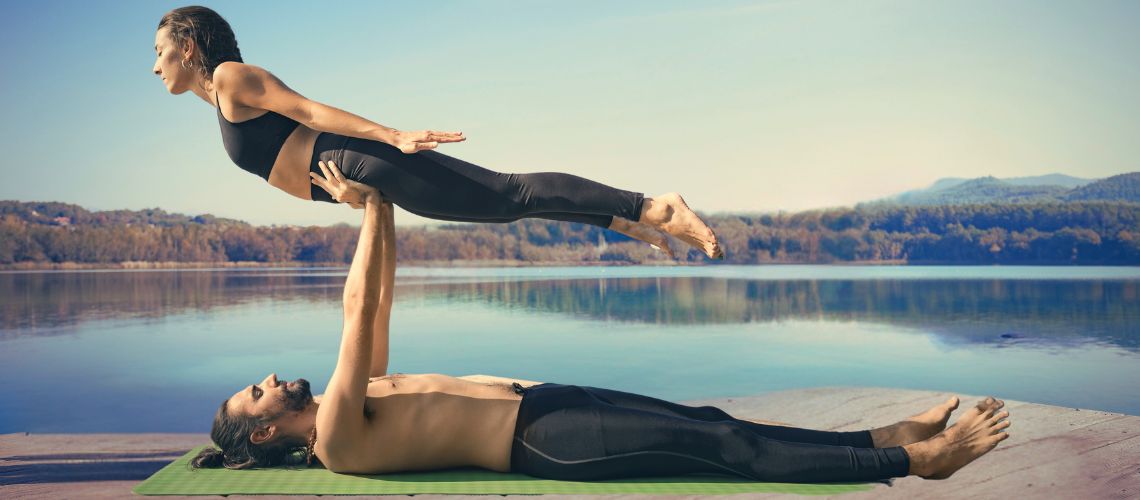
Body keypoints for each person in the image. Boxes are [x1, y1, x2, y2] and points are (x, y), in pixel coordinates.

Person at [191, 163, 1012, 482]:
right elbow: (357, 307)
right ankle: (915, 461)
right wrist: (366, 203)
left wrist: (387, 205)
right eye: (255, 395)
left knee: (712, 419)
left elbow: (384, 294)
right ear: (264, 435)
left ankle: (880, 437)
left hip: (546, 397)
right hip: (542, 440)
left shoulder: (354, 397)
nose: (268, 382)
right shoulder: (336, 438)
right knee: (726, 451)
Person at [153, 6, 723, 260]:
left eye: (161, 52)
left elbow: (308, 111)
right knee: (502, 205)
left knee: (507, 193)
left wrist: (391, 134)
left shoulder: (231, 77)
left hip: (358, 156)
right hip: (350, 176)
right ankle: (619, 217)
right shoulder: (221, 99)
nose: (156, 67)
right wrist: (337, 195)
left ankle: (653, 206)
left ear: (190, 46)